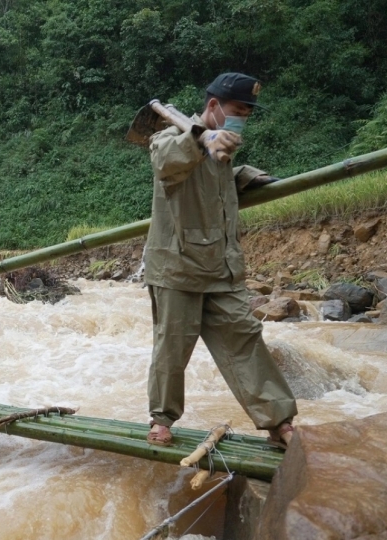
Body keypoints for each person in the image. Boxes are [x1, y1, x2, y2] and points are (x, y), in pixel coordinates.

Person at [144, 72, 298, 449]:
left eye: (246, 113)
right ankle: (162, 421)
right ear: (213, 106)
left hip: (222, 269)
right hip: (177, 268)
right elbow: (167, 162)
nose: (241, 118)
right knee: (172, 346)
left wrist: (246, 175)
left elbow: (217, 184)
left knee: (246, 341)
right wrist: (200, 140)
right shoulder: (170, 139)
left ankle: (279, 423)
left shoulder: (225, 149)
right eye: (236, 111)